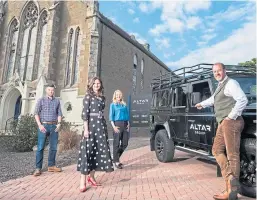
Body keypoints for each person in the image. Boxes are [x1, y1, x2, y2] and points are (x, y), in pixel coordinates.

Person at [195, 63, 248, 200]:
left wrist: (230, 117)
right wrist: (201, 104)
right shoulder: (220, 86)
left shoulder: (231, 83)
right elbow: (213, 99)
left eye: (219, 70)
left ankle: (231, 192)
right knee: (216, 150)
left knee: (232, 155)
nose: (217, 73)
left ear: (225, 71)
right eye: (214, 71)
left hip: (231, 122)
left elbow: (242, 99)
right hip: (224, 122)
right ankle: (231, 178)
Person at [77, 77, 114, 192]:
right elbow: (85, 114)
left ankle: (91, 177)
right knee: (87, 152)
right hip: (91, 127)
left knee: (98, 152)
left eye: (98, 83)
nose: (97, 85)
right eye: (95, 83)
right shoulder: (88, 97)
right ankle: (82, 181)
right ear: (91, 85)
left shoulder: (102, 98)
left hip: (101, 127)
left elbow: (101, 113)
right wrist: (86, 129)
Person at [33, 84, 63, 176]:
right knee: (40, 147)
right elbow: (36, 113)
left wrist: (59, 124)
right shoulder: (41, 100)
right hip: (43, 126)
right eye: (49, 90)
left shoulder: (57, 101)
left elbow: (59, 114)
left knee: (53, 147)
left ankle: (51, 166)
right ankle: (38, 168)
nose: (51, 91)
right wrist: (39, 125)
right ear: (46, 91)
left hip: (54, 126)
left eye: (52, 90)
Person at [109, 90, 130, 169]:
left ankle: (115, 158)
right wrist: (114, 126)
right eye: (117, 95)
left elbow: (127, 115)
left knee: (125, 143)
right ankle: (117, 162)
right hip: (117, 124)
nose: (118, 96)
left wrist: (128, 124)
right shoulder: (113, 105)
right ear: (115, 96)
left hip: (125, 124)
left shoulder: (124, 105)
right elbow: (111, 117)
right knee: (116, 144)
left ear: (121, 96)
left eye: (119, 95)